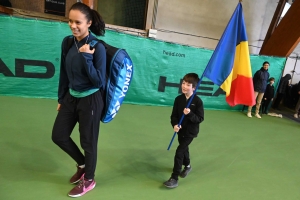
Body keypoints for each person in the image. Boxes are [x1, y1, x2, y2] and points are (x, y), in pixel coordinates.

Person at [51, 2, 106, 197]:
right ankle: (83, 164)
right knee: (58, 135)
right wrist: (61, 97)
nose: (73, 25)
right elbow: (64, 73)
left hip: (91, 100)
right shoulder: (68, 42)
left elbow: (99, 81)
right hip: (70, 98)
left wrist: (87, 58)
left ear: (89, 23)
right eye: (70, 21)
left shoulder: (97, 47)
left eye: (78, 22)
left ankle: (89, 179)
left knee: (88, 142)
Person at [163, 73, 204, 189]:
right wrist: (175, 125)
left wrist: (190, 113)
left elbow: (200, 119)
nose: (184, 86)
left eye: (188, 84)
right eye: (183, 83)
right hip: (180, 131)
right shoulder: (178, 99)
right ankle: (188, 166)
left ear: (194, 88)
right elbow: (174, 116)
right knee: (184, 148)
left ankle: (174, 178)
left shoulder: (198, 101)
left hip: (190, 132)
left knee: (179, 151)